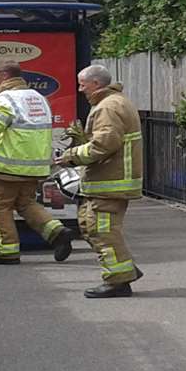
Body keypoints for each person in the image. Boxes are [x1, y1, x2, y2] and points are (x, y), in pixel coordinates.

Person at [0, 61, 76, 264]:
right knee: (26, 203)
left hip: (6, 167)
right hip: (35, 166)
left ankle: (7, 252)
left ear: (5, 76)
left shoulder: (5, 99)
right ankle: (57, 232)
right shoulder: (38, 98)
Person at [57, 64, 145, 299]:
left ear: (96, 83)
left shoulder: (108, 106)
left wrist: (71, 156)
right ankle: (123, 270)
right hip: (106, 182)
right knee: (90, 227)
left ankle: (118, 281)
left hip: (110, 182)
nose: (79, 89)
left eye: (82, 84)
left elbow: (104, 144)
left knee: (103, 231)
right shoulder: (112, 103)